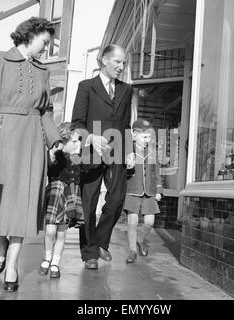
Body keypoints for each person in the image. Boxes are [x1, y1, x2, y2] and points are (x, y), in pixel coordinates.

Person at [0, 17, 62, 292]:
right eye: (45, 42)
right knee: (2, 200)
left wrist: (54, 141)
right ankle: (1, 241)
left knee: (25, 202)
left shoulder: (43, 71)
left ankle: (12, 265)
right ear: (29, 36)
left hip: (33, 141)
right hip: (2, 138)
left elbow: (45, 111)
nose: (46, 48)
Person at [71, 44, 135, 269]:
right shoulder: (86, 87)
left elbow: (125, 124)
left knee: (117, 198)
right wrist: (90, 138)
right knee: (88, 204)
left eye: (123, 62)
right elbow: (77, 124)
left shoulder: (126, 90)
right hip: (91, 152)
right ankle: (90, 254)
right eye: (117, 61)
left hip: (117, 151)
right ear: (104, 60)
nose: (121, 66)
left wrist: (129, 151)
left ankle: (100, 241)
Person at [39, 122, 83, 278]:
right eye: (75, 141)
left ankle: (55, 263)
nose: (78, 144)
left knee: (62, 233)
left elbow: (89, 168)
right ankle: (47, 257)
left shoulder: (78, 157)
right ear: (65, 140)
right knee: (50, 231)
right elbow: (47, 166)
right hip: (55, 194)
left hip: (69, 195)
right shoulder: (56, 154)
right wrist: (52, 153)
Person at [123, 119, 163, 263]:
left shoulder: (152, 152)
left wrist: (159, 189)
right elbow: (121, 172)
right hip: (132, 190)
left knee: (149, 222)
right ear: (134, 135)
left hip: (150, 191)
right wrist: (127, 167)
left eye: (149, 137)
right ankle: (132, 251)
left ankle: (140, 239)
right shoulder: (128, 151)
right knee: (132, 222)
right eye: (144, 137)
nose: (147, 140)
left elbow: (157, 172)